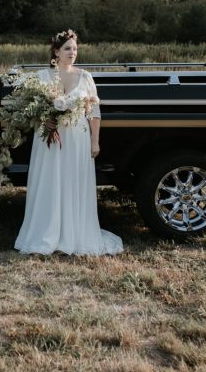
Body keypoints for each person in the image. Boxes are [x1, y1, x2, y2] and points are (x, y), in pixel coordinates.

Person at [14, 29, 124, 255]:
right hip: (49, 139)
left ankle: (74, 234)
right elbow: (32, 112)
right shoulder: (43, 78)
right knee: (50, 182)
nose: (72, 52)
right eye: (67, 48)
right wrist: (46, 121)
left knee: (73, 182)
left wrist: (95, 141)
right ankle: (45, 233)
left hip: (77, 137)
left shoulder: (85, 77)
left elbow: (93, 111)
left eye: (75, 49)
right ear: (56, 52)